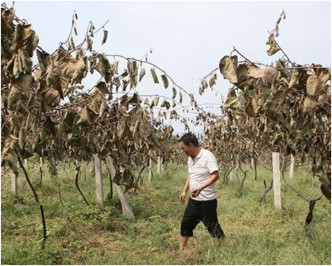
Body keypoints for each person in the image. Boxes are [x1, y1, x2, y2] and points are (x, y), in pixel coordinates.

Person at [178, 132, 225, 250]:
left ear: (191, 145)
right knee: (185, 224)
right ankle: (181, 250)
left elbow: (216, 175)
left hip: (207, 201)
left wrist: (201, 188)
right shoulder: (190, 159)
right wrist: (184, 190)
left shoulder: (207, 156)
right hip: (193, 201)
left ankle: (224, 248)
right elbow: (191, 175)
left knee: (213, 227)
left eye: (183, 148)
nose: (182, 150)